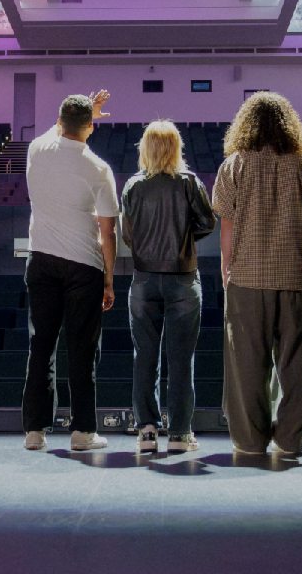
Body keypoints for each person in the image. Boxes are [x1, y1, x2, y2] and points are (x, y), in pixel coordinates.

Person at [211, 92, 302, 457]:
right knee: (294, 362)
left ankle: (250, 441)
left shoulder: (234, 165)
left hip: (246, 275)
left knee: (247, 363)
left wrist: (225, 270)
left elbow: (226, 227)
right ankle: (291, 440)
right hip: (293, 276)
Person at [22, 90, 119, 452]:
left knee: (41, 344)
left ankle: (35, 431)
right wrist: (109, 278)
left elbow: (60, 127)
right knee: (81, 349)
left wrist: (85, 111)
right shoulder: (98, 169)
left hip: (41, 260)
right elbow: (108, 231)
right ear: (91, 128)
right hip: (84, 266)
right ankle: (82, 432)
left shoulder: (36, 149)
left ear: (60, 121)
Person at [119, 121, 215, 454]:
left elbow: (128, 235)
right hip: (183, 278)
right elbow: (207, 222)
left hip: (144, 280)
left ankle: (146, 431)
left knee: (144, 357)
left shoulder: (132, 186)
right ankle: (180, 434)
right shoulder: (189, 183)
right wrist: (184, 239)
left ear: (145, 148)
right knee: (180, 359)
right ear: (177, 148)